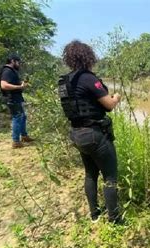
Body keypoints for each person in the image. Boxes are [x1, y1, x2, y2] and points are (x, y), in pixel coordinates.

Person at [59, 40, 122, 224]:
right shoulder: (88, 78)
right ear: (88, 57)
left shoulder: (65, 82)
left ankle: (94, 214)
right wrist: (116, 97)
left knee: (90, 173)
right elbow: (109, 105)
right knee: (110, 176)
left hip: (77, 134)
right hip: (95, 134)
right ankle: (115, 220)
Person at [0, 54, 34, 148]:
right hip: (12, 98)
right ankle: (16, 141)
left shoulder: (11, 71)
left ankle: (24, 136)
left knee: (22, 117)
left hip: (16, 98)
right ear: (13, 61)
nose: (19, 64)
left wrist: (21, 84)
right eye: (18, 62)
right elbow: (4, 85)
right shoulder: (7, 71)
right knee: (17, 117)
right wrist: (20, 87)